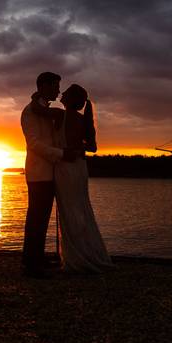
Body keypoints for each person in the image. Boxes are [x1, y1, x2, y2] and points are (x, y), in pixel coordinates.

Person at [19, 72, 81, 279]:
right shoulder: (30, 112)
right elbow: (34, 144)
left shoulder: (44, 110)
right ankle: (31, 263)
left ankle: (36, 257)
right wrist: (62, 154)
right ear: (43, 86)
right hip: (38, 173)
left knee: (42, 218)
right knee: (36, 218)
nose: (58, 90)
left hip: (52, 171)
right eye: (55, 86)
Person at [53, 84, 115, 273]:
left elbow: (37, 110)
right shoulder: (83, 119)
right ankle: (85, 253)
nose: (61, 94)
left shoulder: (58, 115)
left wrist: (34, 97)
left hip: (65, 167)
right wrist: (79, 149)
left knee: (68, 211)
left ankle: (74, 258)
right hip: (80, 168)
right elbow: (93, 147)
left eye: (65, 93)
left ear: (70, 99)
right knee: (81, 209)